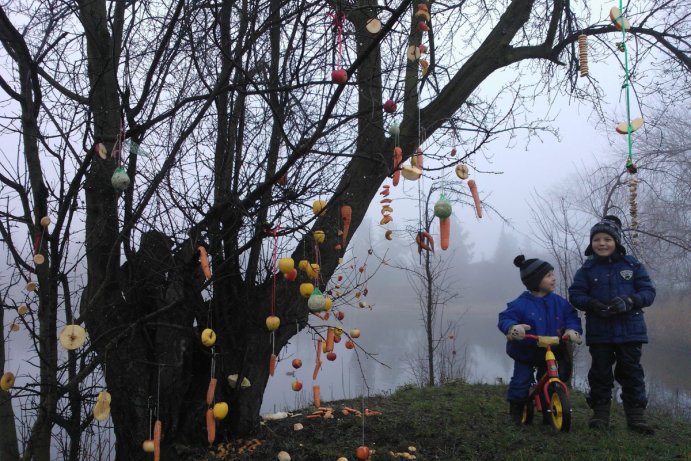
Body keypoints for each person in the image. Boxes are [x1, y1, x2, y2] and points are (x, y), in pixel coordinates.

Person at [569, 215, 656, 434]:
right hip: (600, 332)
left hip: (630, 330)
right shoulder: (587, 270)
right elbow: (575, 294)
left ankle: (636, 419)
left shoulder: (633, 266)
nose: (602, 243)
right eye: (597, 239)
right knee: (600, 373)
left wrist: (630, 301)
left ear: (616, 241)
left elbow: (648, 292)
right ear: (591, 243)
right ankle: (600, 416)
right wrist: (592, 304)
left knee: (631, 373)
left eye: (607, 239)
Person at [498, 255, 583, 425]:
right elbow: (505, 317)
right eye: (549, 275)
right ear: (536, 280)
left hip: (550, 351)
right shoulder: (520, 303)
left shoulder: (559, 302)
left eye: (553, 274)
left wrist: (572, 329)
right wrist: (513, 328)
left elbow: (571, 317)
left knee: (550, 379)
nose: (554, 278)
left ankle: (548, 411)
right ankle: (516, 408)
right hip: (526, 350)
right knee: (521, 380)